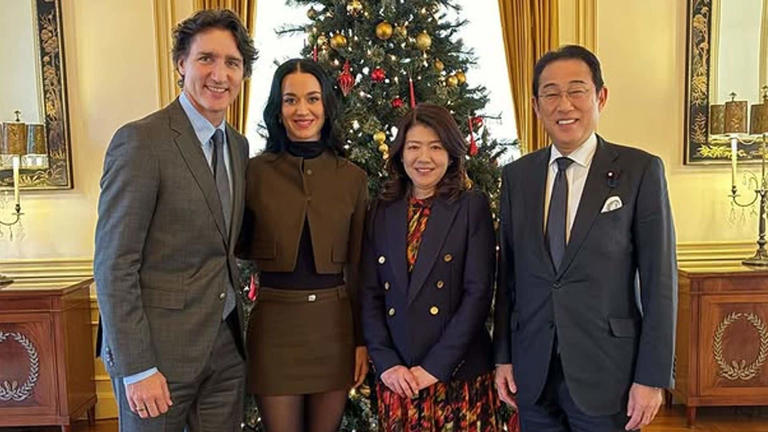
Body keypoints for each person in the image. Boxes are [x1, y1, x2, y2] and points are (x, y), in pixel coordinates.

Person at [493, 44, 677, 432]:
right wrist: (503, 357)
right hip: (534, 372)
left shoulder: (639, 170)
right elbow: (508, 278)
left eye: (576, 90)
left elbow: (661, 282)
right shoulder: (517, 177)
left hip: (609, 374)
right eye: (551, 93)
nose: (564, 105)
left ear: (600, 97)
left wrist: (652, 377)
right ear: (535, 104)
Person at [94, 9, 256, 431]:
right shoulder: (141, 141)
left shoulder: (238, 147)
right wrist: (137, 366)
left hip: (225, 351)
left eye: (232, 63)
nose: (219, 74)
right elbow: (114, 263)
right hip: (157, 359)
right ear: (181, 64)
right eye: (207, 59)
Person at [236, 58, 368, 432]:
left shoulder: (353, 178)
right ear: (278, 109)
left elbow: (359, 268)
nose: (302, 110)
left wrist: (360, 340)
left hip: (334, 329)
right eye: (290, 100)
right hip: (275, 328)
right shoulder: (254, 172)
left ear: (326, 105)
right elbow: (236, 244)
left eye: (312, 98)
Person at [362, 103, 509, 430]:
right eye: (414, 147)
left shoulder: (472, 206)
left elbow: (478, 294)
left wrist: (434, 368)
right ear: (400, 154)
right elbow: (370, 294)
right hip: (399, 380)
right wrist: (386, 364)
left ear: (452, 154)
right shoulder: (381, 210)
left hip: (457, 377)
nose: (423, 158)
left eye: (436, 147)